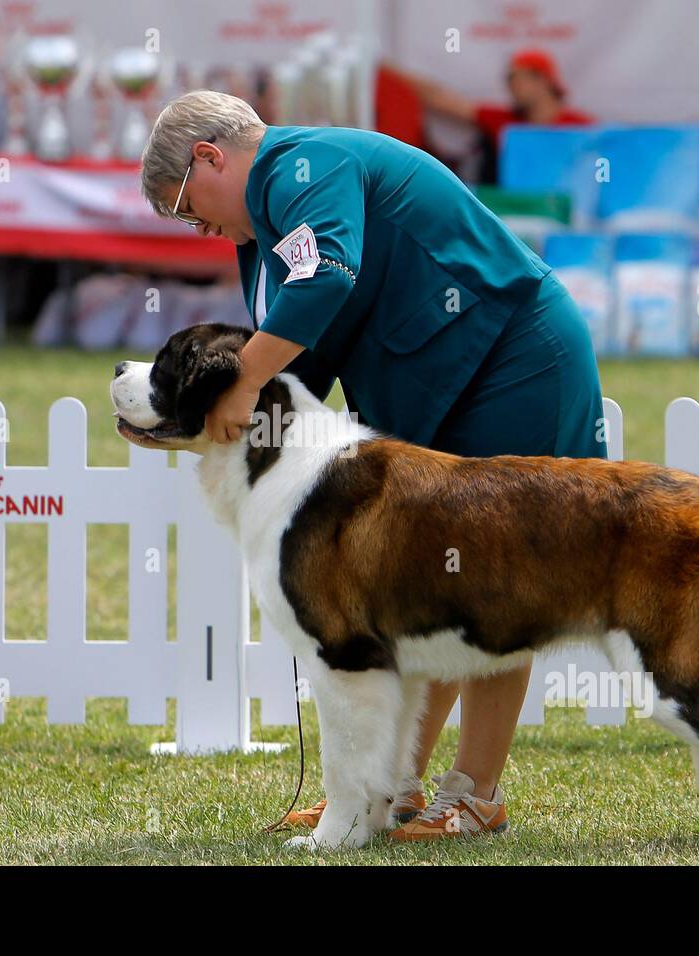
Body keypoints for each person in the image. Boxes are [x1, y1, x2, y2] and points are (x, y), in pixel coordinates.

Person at [139, 90, 606, 840]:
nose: (193, 226)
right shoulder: (262, 228)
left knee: (498, 583)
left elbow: (324, 280)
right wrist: (188, 423)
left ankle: (475, 793)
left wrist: (246, 378)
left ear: (209, 156)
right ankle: (388, 788)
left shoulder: (303, 167)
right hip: (440, 376)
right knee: (429, 587)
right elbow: (303, 366)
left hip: (514, 358)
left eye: (186, 206)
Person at [390, 48, 593, 181]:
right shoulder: (502, 120)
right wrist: (384, 68)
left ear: (542, 79)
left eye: (515, 77)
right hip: (514, 212)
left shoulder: (582, 126)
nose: (510, 85)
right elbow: (438, 97)